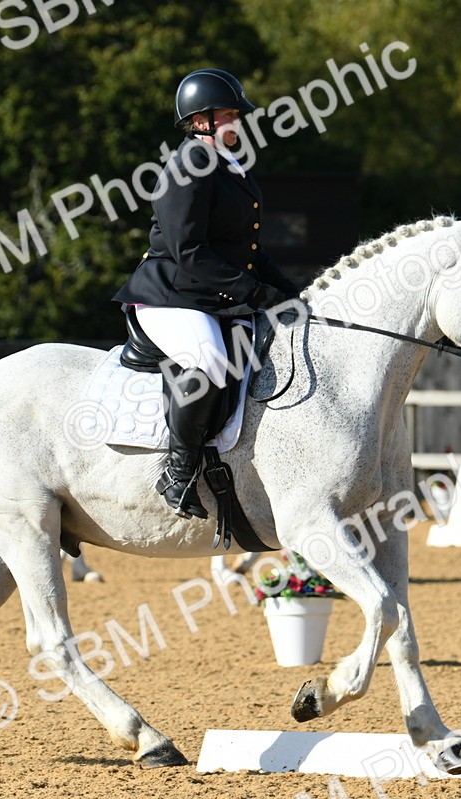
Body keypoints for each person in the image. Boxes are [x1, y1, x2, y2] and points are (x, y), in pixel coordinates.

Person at [112, 67, 299, 520]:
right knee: (212, 359)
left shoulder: (231, 167)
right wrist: (252, 292)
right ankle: (177, 474)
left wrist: (292, 293)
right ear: (201, 121)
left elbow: (249, 252)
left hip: (211, 294)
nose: (238, 121)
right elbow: (189, 251)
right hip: (170, 294)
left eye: (237, 114)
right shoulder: (187, 167)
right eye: (230, 114)